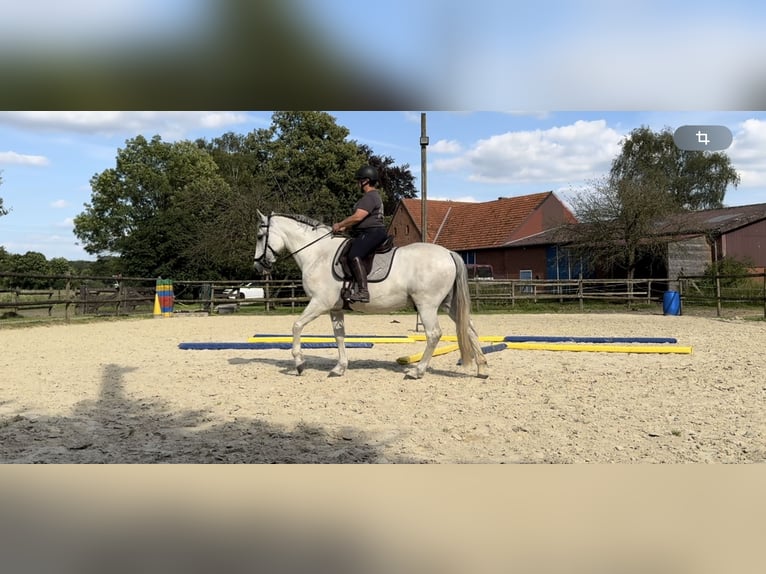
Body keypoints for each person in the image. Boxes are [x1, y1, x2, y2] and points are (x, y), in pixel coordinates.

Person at [332, 165, 387, 302]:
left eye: (359, 180)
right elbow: (361, 219)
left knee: (354, 255)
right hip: (371, 231)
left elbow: (358, 217)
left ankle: (363, 292)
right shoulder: (374, 197)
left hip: (372, 232)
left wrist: (340, 224)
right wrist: (346, 228)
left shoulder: (369, 197)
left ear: (366, 181)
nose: (358, 183)